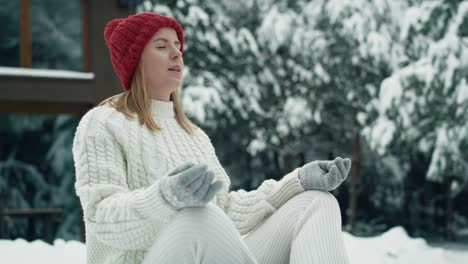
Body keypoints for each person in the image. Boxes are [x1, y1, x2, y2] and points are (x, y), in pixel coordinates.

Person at [72, 11, 352, 264]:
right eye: (161, 46)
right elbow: (100, 217)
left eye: (177, 46)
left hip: (200, 245)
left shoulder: (192, 135)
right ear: (135, 62)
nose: (176, 54)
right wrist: (164, 197)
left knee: (316, 202)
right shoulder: (103, 123)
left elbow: (226, 210)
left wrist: (298, 181)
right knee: (197, 215)